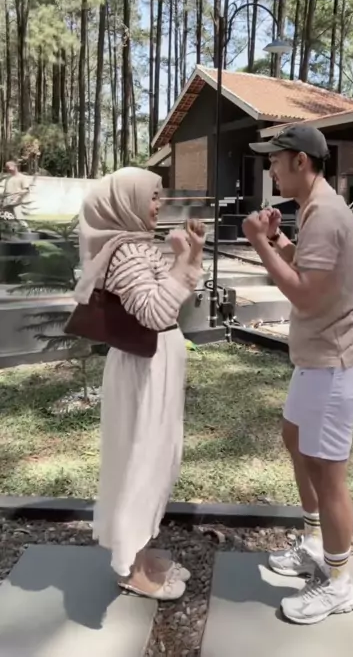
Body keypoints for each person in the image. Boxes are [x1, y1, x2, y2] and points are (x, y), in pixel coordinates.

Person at [243, 124, 353, 625]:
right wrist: (277, 238)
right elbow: (312, 271)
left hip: (336, 363)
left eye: (275, 160)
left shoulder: (325, 214)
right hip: (319, 359)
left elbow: (304, 293)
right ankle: (315, 543)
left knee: (327, 471)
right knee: (296, 439)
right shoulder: (315, 208)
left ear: (301, 161)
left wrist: (258, 243)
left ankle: (338, 584)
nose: (270, 169)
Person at [74, 167, 205, 601]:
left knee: (153, 459)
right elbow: (155, 313)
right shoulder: (126, 253)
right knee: (142, 462)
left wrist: (189, 255)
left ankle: (140, 554)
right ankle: (131, 568)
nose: (158, 204)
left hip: (153, 365)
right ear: (126, 201)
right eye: (151, 196)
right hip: (143, 369)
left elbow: (171, 300)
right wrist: (182, 262)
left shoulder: (136, 246)